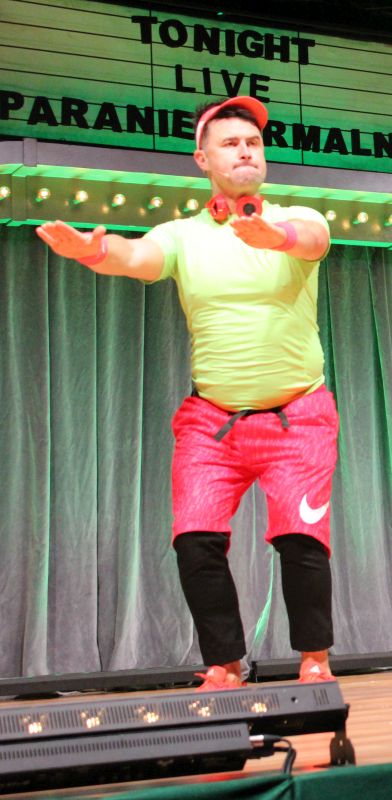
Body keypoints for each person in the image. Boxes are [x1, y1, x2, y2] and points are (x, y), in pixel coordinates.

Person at [36, 96, 336, 690]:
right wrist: (94, 251)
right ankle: (225, 664)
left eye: (253, 143)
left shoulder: (300, 217)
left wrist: (272, 235)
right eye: (231, 143)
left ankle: (314, 660)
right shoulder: (182, 235)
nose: (246, 151)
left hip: (298, 418)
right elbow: (137, 256)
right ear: (202, 159)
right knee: (195, 540)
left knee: (301, 539)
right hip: (212, 422)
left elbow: (310, 240)